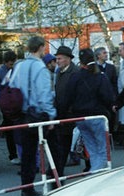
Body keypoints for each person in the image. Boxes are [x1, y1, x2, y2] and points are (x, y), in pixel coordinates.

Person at [9, 35, 56, 196]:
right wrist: (50, 115)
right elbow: (45, 95)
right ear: (41, 47)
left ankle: (26, 186)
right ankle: (54, 181)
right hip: (37, 114)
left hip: (21, 114)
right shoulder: (41, 68)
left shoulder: (19, 66)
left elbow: (12, 86)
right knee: (48, 148)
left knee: (27, 153)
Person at [61, 48, 115, 171]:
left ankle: (95, 171)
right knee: (102, 148)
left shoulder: (75, 76)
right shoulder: (100, 76)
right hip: (97, 116)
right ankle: (98, 173)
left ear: (81, 62)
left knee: (91, 148)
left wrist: (64, 114)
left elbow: (67, 97)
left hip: (80, 117)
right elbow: (108, 97)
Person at [50, 45, 79, 178]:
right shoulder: (59, 72)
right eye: (56, 59)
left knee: (65, 144)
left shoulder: (74, 72)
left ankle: (59, 170)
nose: (58, 61)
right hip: (60, 113)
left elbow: (73, 95)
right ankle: (57, 168)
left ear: (68, 59)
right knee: (60, 143)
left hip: (69, 114)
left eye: (60, 58)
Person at [0, 50, 20, 165]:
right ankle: (13, 155)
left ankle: (17, 153)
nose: (12, 65)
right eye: (10, 63)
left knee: (17, 131)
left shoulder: (15, 70)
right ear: (5, 62)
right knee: (9, 132)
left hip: (14, 104)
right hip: (5, 105)